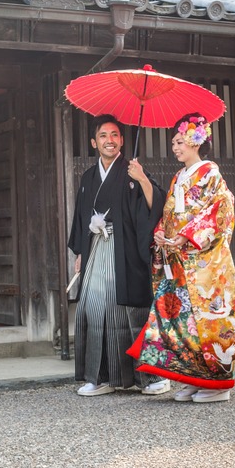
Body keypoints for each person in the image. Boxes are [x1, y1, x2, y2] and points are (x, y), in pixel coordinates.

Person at [128, 113, 235, 402]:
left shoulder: (210, 172)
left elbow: (219, 211)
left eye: (179, 141)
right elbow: (169, 214)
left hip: (204, 261)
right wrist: (163, 235)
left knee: (209, 319)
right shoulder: (179, 177)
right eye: (174, 142)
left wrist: (186, 236)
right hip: (179, 260)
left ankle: (219, 383)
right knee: (183, 320)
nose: (175, 147)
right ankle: (194, 376)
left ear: (196, 140)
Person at [68, 115, 167, 396]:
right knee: (93, 310)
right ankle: (99, 377)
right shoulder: (89, 177)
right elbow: (80, 218)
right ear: (94, 142)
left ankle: (152, 377)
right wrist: (79, 252)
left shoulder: (133, 171)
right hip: (96, 250)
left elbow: (155, 206)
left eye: (114, 135)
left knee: (132, 312)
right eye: (103, 135)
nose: (109, 140)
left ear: (122, 140)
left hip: (125, 252)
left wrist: (143, 181)